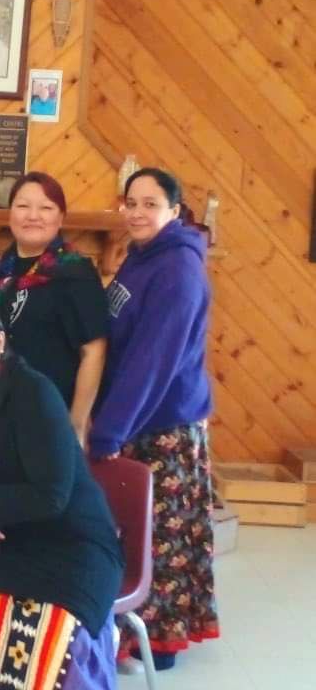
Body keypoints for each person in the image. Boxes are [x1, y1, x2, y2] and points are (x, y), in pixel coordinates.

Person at [0, 299, 123, 690]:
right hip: (5, 540)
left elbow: (52, 496)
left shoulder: (32, 392)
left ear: (0, 342)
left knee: (55, 634)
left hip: (70, 542)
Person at [89, 167, 219, 671]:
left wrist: (108, 432)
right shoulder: (140, 257)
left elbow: (153, 361)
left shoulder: (178, 269)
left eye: (150, 204)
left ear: (174, 210)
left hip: (161, 426)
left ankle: (157, 647)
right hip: (136, 417)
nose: (138, 213)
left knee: (160, 537)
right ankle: (129, 637)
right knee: (137, 531)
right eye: (131, 203)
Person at [0, 171, 108, 444]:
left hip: (50, 413)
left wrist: (78, 422)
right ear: (10, 213)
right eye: (23, 206)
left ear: (60, 218)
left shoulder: (75, 273)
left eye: (46, 208)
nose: (32, 216)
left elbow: (93, 351)